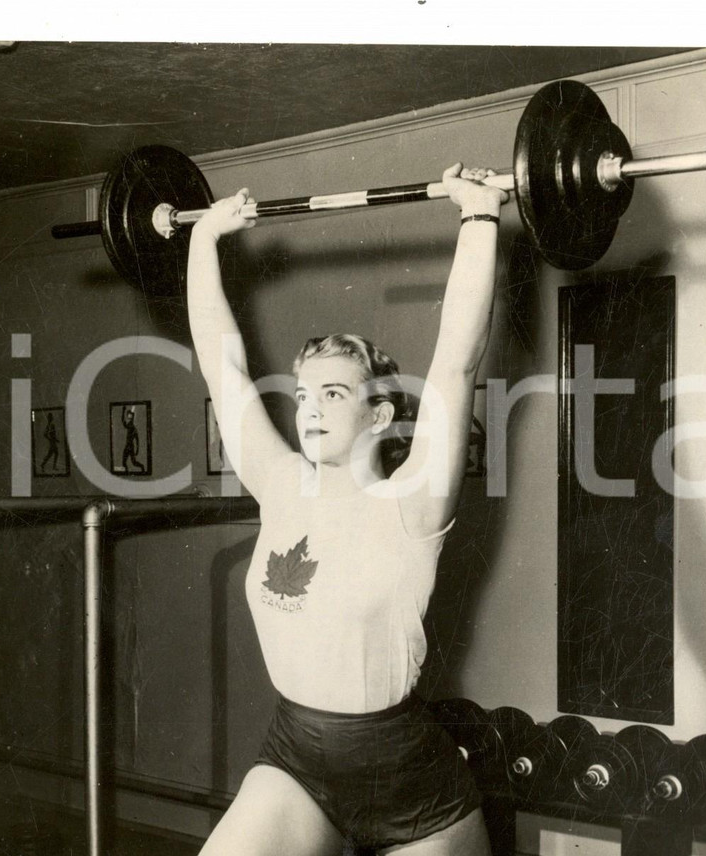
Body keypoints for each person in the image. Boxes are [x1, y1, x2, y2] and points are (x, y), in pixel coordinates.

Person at [187, 163, 507, 855]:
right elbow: (222, 367)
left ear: (380, 414)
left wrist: (480, 218)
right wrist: (203, 239)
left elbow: (456, 360)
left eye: (332, 393)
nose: (309, 408)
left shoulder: (413, 502)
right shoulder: (278, 484)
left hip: (408, 784)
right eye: (303, 394)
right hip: (298, 757)